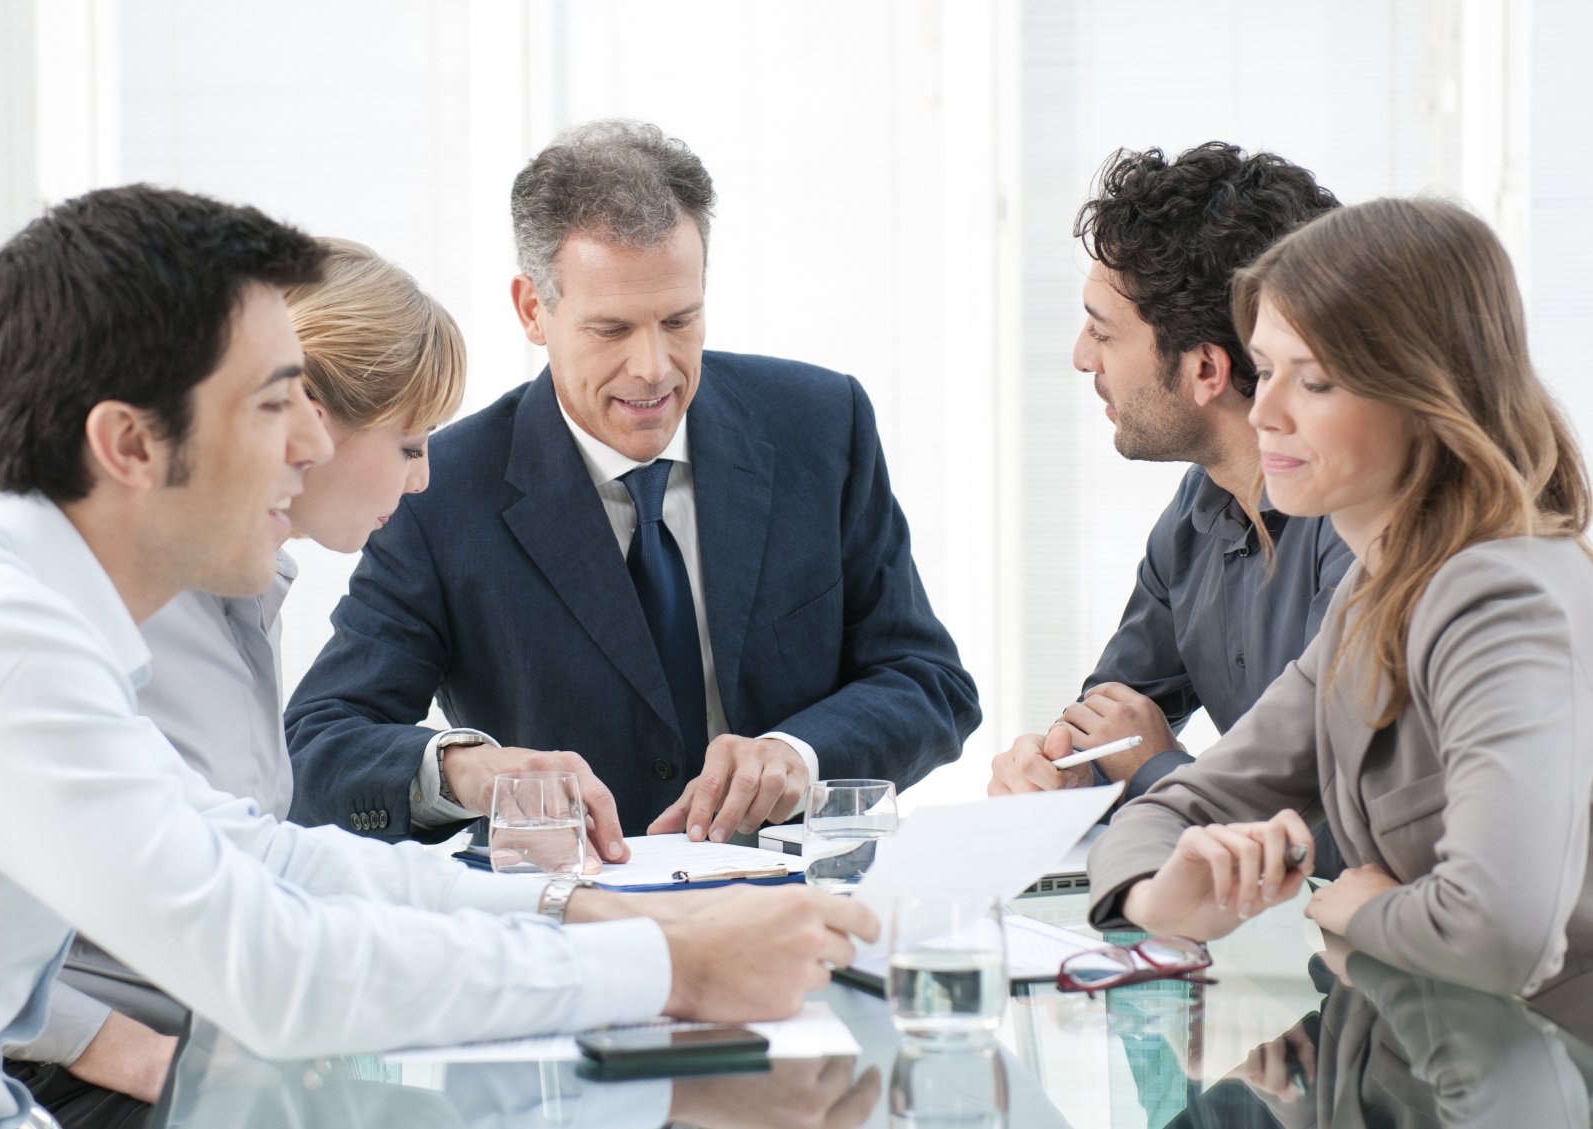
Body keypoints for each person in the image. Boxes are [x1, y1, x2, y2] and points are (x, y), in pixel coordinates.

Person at [0, 184, 877, 1129]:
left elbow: (268, 856)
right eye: (278, 404)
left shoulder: (17, 612)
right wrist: (674, 967)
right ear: (132, 446)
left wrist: (591, 910)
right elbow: (281, 970)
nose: (312, 444)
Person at [285, 119, 980, 850]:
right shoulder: (441, 488)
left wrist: (796, 755)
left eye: (679, 319)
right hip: (576, 923)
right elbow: (316, 746)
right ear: (532, 310)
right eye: (611, 329)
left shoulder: (819, 424)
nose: (653, 366)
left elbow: (928, 682)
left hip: (801, 900)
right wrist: (466, 768)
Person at [1084, 197, 1593, 1014]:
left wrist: (1353, 909)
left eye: (1313, 380)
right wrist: (1157, 894)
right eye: (1267, 367)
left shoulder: (1501, 593)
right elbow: (1185, 804)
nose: (1262, 410)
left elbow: (1500, 931)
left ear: (1427, 396)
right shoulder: (1379, 589)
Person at [1, 238, 470, 1119]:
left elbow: (253, 864)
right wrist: (130, 1053)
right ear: (309, 421)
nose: (425, 478)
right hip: (96, 1081)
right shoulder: (104, 602)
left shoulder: (245, 593)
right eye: (410, 443)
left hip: (216, 1042)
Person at [988, 143, 1351, 807]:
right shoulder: (1199, 503)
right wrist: (1064, 770)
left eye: (1102, 333)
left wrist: (1155, 769)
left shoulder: (1364, 522)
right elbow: (1113, 720)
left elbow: (1333, 803)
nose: (1079, 357)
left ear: (1204, 370)